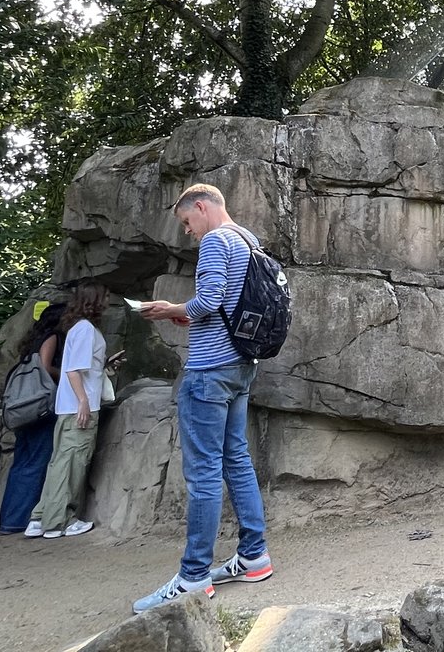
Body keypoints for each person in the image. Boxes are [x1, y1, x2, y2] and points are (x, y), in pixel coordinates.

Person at [133, 183, 272, 613]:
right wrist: (187, 316)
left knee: (205, 473)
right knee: (237, 459)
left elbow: (209, 299)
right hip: (242, 365)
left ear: (200, 206)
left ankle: (194, 576)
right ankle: (254, 556)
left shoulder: (215, 240)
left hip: (209, 372)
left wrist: (170, 309)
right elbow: (227, 305)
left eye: (186, 222)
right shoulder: (250, 241)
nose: (189, 232)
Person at [25, 281, 108, 539]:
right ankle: (60, 521)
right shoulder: (85, 330)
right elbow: (73, 371)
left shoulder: (76, 328)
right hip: (80, 408)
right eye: (104, 296)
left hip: (70, 407)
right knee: (72, 464)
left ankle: (40, 518)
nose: (107, 301)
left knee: (60, 462)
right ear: (95, 301)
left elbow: (80, 367)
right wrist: (83, 401)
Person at [0, 301, 66, 534]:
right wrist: (68, 374)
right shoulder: (53, 336)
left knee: (21, 463)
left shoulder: (31, 340)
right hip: (41, 410)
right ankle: (23, 519)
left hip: (23, 410)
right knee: (37, 463)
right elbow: (45, 367)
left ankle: (9, 519)